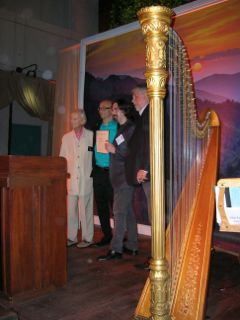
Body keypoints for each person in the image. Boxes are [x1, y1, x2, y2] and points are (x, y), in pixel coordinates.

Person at [97, 98, 138, 261]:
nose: (112, 112)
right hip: (120, 177)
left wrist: (114, 150)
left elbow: (131, 153)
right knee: (127, 212)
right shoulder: (124, 128)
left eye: (114, 109)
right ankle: (133, 245)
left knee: (119, 213)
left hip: (124, 178)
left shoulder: (130, 128)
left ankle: (116, 250)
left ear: (122, 110)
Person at [60, 109, 94, 248]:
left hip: (86, 178)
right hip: (71, 178)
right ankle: (71, 237)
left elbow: (93, 156)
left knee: (86, 209)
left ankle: (87, 238)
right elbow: (62, 158)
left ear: (82, 120)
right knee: (71, 210)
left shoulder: (91, 135)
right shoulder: (66, 137)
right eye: (71, 119)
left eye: (75, 119)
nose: (72, 121)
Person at [125, 84, 151, 269]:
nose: (132, 101)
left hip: (149, 173)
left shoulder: (151, 114)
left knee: (156, 215)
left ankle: (157, 258)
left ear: (144, 96)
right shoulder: (144, 115)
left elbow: (152, 144)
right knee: (153, 214)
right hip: (146, 172)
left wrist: (146, 168)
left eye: (134, 97)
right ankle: (156, 256)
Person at [92, 99, 118, 247]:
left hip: (112, 172)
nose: (100, 110)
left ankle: (118, 236)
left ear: (110, 110)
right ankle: (106, 235)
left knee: (115, 206)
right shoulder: (97, 126)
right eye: (99, 108)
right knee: (101, 205)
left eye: (104, 108)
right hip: (98, 171)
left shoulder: (119, 127)